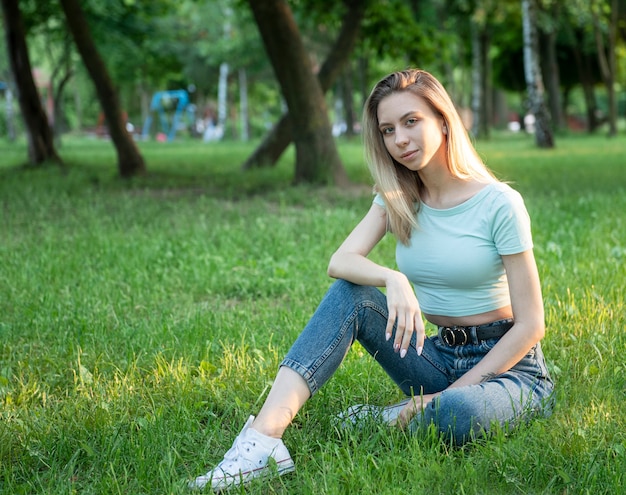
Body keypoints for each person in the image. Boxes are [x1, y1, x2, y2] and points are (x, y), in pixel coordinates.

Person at [189, 69, 554, 491]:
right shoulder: (399, 198)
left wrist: (439, 398)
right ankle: (263, 439)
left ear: (443, 120)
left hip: (510, 371)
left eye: (411, 121)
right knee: (352, 294)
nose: (399, 139)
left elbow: (531, 325)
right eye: (387, 129)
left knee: (456, 415)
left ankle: (388, 417)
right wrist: (391, 277)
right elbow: (340, 261)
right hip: (438, 356)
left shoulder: (499, 204)